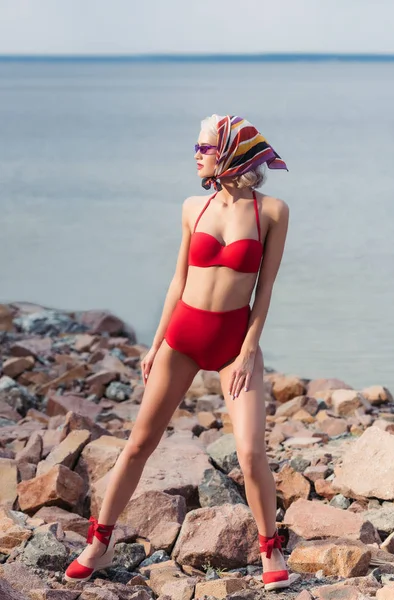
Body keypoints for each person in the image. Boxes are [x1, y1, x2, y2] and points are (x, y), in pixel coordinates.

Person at [65, 114, 295, 591]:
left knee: (252, 453)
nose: (196, 153)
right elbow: (179, 281)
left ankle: (270, 547)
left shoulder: (272, 211)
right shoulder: (193, 206)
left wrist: (250, 348)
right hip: (182, 340)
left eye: (204, 146)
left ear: (231, 152)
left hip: (235, 345)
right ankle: (99, 544)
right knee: (138, 446)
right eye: (197, 146)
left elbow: (265, 289)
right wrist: (154, 345)